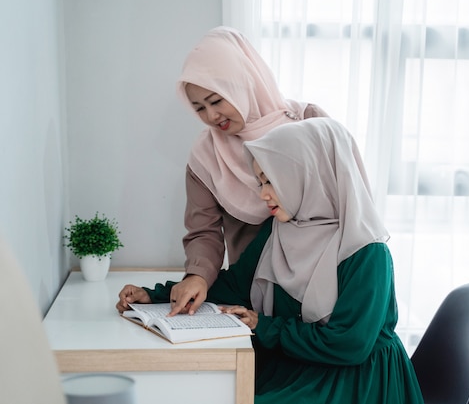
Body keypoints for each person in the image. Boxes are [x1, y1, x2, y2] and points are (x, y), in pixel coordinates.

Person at [116, 118, 424, 404]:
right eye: (261, 182)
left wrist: (264, 326)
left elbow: (348, 345)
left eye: (271, 182)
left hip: (356, 380)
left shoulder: (367, 252)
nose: (263, 195)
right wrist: (155, 296)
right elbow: (235, 287)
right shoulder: (279, 231)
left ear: (310, 176)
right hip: (299, 364)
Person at [117, 26, 329, 315]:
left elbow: (343, 202)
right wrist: (197, 276)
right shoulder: (206, 157)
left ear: (244, 84)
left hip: (323, 289)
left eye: (216, 101)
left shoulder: (307, 123)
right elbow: (203, 231)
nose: (211, 116)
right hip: (253, 294)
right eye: (199, 108)